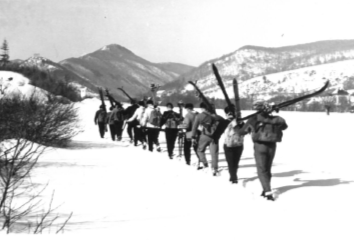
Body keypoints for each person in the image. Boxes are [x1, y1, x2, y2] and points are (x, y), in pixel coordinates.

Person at [240, 101, 288, 201]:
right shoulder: (277, 119)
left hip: (260, 146)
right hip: (272, 146)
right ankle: (265, 189)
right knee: (267, 168)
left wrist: (237, 124)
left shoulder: (254, 119)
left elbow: (242, 132)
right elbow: (284, 126)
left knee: (261, 170)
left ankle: (267, 192)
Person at [191, 102, 227, 176]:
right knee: (214, 153)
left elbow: (194, 127)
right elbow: (224, 123)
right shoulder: (217, 116)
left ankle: (205, 164)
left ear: (203, 108)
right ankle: (215, 168)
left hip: (204, 136)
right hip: (215, 137)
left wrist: (193, 137)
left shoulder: (199, 116)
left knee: (200, 150)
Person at [223, 106, 244, 184]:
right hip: (239, 144)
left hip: (229, 144)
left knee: (231, 162)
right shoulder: (240, 121)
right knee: (235, 162)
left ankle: (233, 177)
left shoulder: (225, 122)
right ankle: (233, 176)